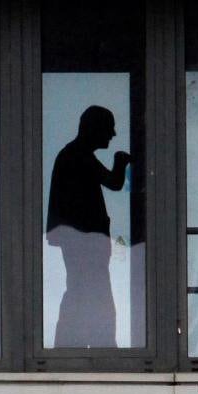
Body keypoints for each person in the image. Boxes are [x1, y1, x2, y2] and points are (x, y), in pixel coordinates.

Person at [45, 104, 132, 349]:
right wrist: (120, 161)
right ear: (95, 128)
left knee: (82, 291)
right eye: (109, 128)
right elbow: (114, 183)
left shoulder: (74, 155)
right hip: (84, 241)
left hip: (81, 240)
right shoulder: (77, 156)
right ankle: (97, 347)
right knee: (92, 293)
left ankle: (74, 346)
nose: (113, 134)